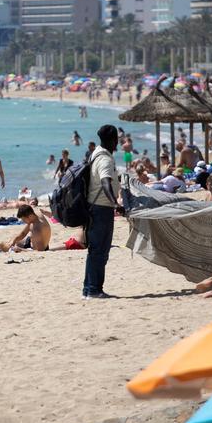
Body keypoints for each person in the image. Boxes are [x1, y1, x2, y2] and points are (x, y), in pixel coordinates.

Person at [83, 124, 120, 299]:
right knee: (100, 250)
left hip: (94, 207)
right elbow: (105, 183)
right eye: (117, 140)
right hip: (102, 209)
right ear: (113, 140)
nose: (117, 144)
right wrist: (116, 203)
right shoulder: (104, 159)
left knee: (94, 250)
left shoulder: (95, 154)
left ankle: (88, 289)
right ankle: (94, 290)